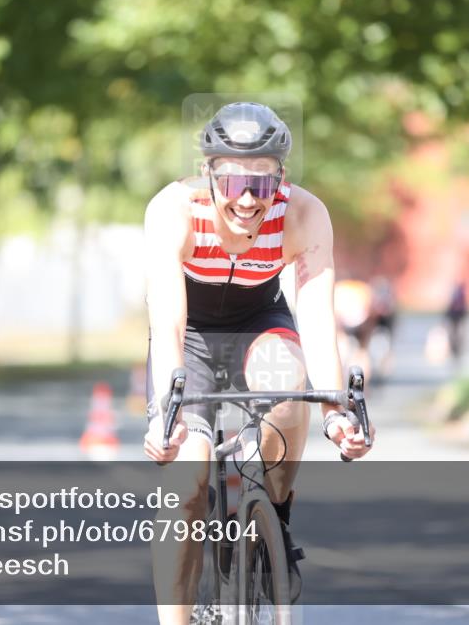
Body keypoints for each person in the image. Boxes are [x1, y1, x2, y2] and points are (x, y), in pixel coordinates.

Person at [143, 102, 375, 624]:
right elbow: (170, 323)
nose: (248, 199)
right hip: (194, 336)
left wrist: (337, 413)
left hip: (259, 320)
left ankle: (273, 517)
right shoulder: (173, 210)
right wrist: (166, 416)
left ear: (283, 179)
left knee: (290, 389)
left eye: (263, 185)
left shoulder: (305, 213)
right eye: (231, 183)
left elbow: (317, 317)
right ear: (208, 174)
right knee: (185, 487)